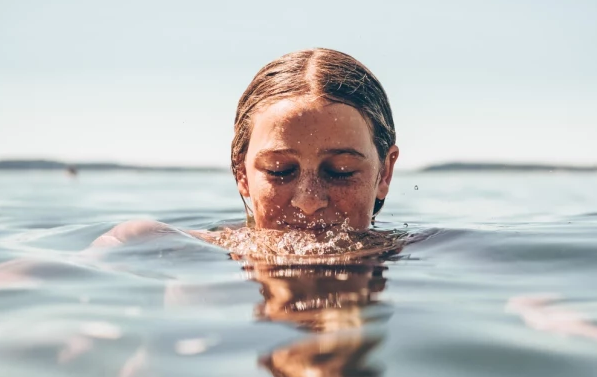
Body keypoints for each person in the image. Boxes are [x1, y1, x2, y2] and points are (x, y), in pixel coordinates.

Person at [91, 48, 400, 249]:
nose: (309, 201)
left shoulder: (425, 253)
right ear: (242, 173)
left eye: (340, 171)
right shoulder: (153, 244)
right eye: (280, 171)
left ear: (384, 173)